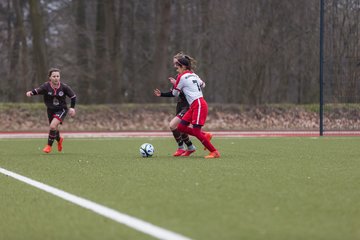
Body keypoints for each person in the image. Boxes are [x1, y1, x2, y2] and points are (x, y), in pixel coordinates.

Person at [171, 54, 220, 158]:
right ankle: (205, 135)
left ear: (183, 67)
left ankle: (214, 152)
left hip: (198, 104)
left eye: (178, 66)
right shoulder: (194, 75)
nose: (176, 68)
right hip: (195, 105)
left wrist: (176, 84)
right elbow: (203, 85)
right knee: (181, 127)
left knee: (196, 131)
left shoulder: (181, 77)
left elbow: (175, 94)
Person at [154, 52, 196, 157]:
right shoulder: (179, 76)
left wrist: (176, 85)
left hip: (187, 105)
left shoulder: (188, 75)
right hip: (180, 105)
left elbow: (188, 92)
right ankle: (190, 147)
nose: (174, 66)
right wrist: (162, 94)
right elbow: (174, 93)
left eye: (176, 64)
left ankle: (181, 148)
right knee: (180, 128)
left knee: (173, 125)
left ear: (182, 64)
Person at [26, 68, 77, 153]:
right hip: (50, 110)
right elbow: (38, 90)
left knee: (52, 126)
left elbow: (73, 97)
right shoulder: (46, 86)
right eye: (54, 76)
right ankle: (59, 139)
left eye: (58, 76)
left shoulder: (64, 87)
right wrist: (31, 93)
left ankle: (48, 146)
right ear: (50, 77)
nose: (56, 78)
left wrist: (72, 107)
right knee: (54, 129)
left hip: (62, 109)